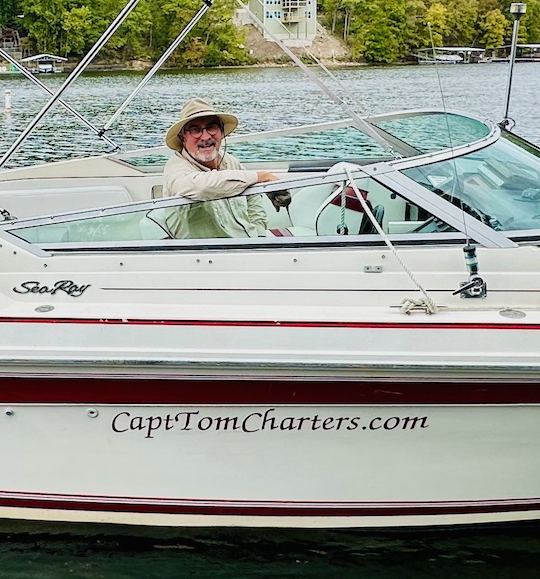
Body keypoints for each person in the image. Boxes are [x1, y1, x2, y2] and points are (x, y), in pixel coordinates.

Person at [163, 98, 289, 239]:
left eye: (212, 127)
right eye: (195, 130)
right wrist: (260, 177)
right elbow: (202, 187)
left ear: (221, 131)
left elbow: (253, 200)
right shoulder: (176, 168)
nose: (205, 137)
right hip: (204, 255)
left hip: (247, 246)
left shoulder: (230, 161)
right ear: (182, 137)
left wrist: (258, 234)